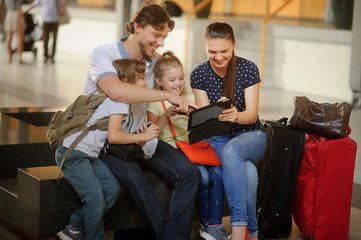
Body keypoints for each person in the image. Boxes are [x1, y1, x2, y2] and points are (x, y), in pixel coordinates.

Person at [83, 4, 199, 240]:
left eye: (164, 37)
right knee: (138, 181)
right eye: (156, 35)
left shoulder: (154, 62)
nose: (161, 42)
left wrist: (183, 103)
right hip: (108, 139)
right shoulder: (102, 54)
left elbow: (173, 80)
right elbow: (117, 92)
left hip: (141, 137)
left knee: (189, 173)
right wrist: (167, 95)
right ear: (137, 27)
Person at [55, 59, 156, 240]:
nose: (146, 82)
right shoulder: (119, 103)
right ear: (126, 81)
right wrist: (143, 137)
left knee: (111, 188)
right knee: (94, 199)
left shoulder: (123, 104)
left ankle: (73, 227)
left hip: (90, 156)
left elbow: (117, 135)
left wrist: (140, 139)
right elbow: (114, 137)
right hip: (74, 154)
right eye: (141, 78)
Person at [190, 22, 267, 240]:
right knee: (249, 174)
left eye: (224, 51)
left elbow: (252, 114)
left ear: (234, 45)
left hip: (251, 136)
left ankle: (238, 229)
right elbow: (206, 125)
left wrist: (236, 115)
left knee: (233, 151)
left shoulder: (248, 68)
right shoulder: (199, 74)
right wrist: (217, 113)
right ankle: (252, 233)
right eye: (212, 51)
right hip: (219, 139)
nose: (218, 57)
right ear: (205, 46)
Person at [147, 51, 230, 240]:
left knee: (217, 174)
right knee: (203, 177)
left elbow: (206, 119)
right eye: (172, 80)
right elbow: (153, 134)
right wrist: (165, 116)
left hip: (194, 147)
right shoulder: (154, 103)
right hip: (175, 149)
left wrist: (199, 114)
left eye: (181, 78)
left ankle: (215, 225)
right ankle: (205, 224)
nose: (178, 84)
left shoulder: (189, 98)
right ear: (159, 82)